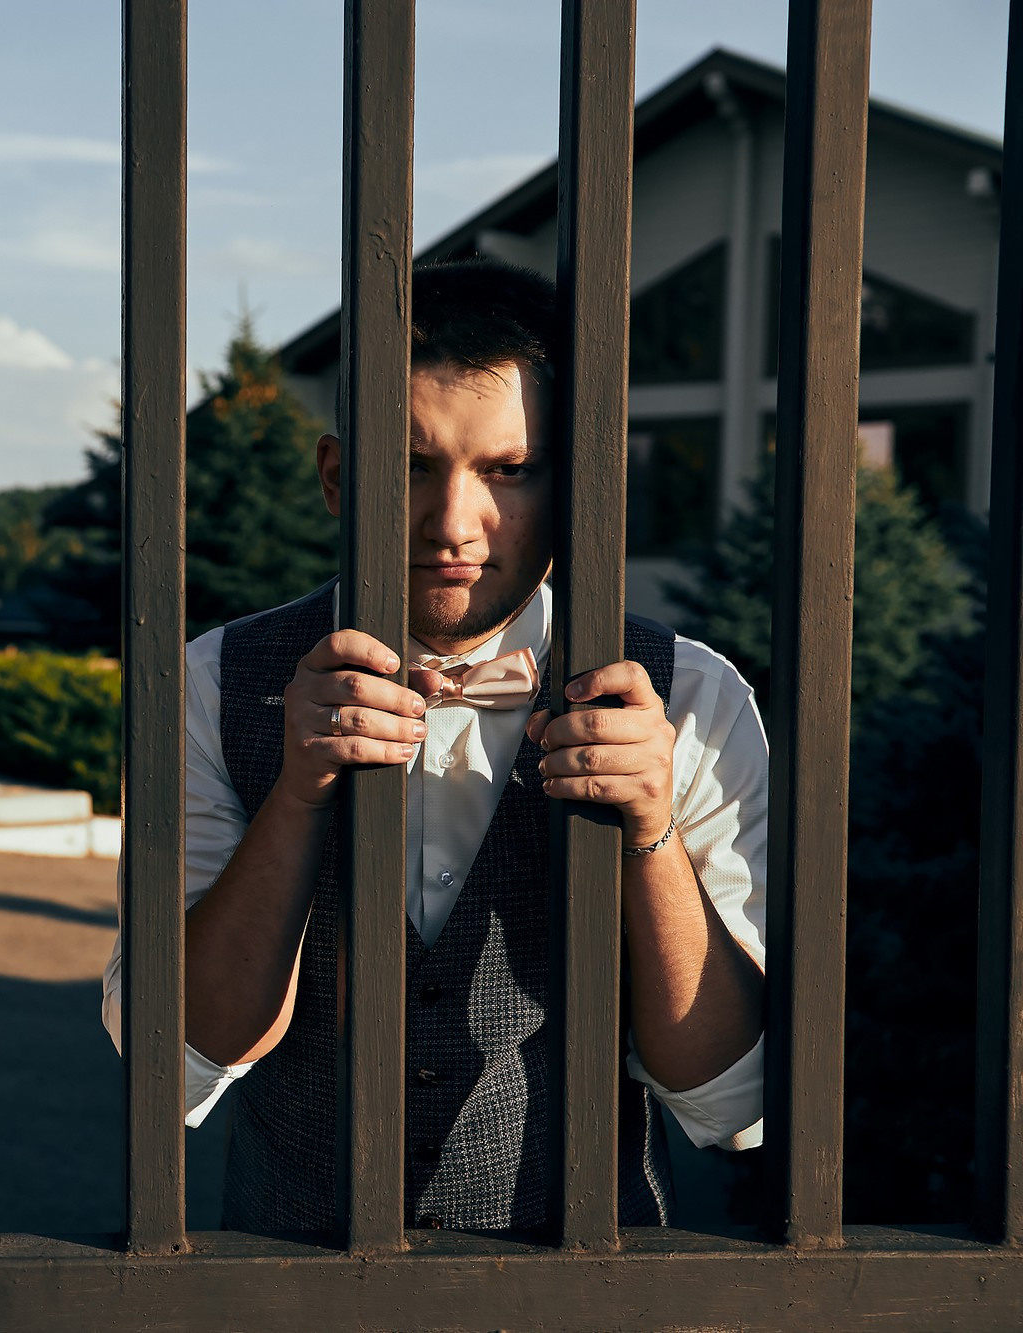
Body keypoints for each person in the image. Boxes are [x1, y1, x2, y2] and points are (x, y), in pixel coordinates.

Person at [102, 259, 768, 1234]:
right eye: (412, 464)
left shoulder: (692, 697)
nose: (453, 523)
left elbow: (727, 1094)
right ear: (337, 478)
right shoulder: (210, 682)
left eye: (508, 470)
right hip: (286, 1278)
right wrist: (296, 795)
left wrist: (650, 835)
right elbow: (181, 1055)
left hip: (584, 1280)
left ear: (577, 483)